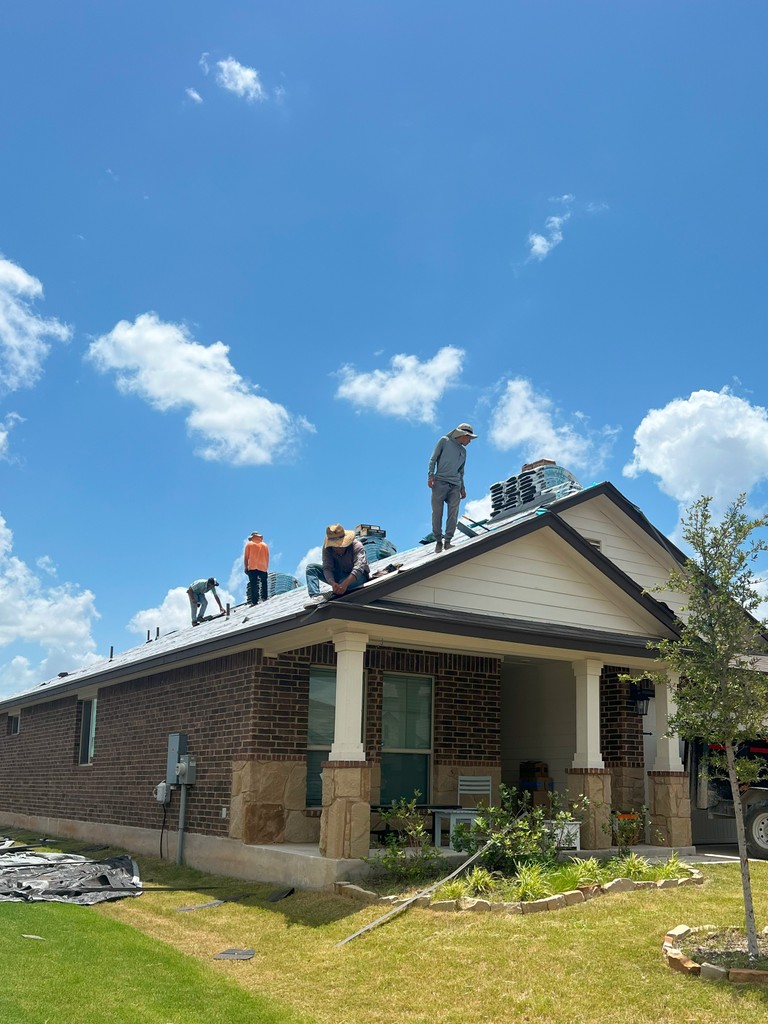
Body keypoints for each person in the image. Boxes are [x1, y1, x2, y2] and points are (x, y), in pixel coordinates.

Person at [427, 422, 477, 552]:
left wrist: (463, 487)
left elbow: (461, 471)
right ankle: (438, 540)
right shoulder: (445, 441)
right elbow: (433, 458)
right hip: (440, 482)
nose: (470, 441)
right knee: (437, 513)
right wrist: (430, 475)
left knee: (453, 514)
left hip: (455, 485)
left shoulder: (463, 452)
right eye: (469, 438)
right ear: (463, 435)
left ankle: (448, 541)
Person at [304, 524, 370, 608]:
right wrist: (332, 582)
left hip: (358, 577)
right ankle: (315, 596)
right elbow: (327, 568)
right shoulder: (327, 548)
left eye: (340, 546)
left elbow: (359, 567)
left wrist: (344, 584)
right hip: (339, 576)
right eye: (334, 546)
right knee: (311, 568)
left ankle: (334, 592)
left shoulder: (357, 545)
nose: (337, 548)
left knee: (343, 581)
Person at [243, 530, 270, 605]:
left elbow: (246, 557)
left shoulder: (249, 545)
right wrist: (266, 567)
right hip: (263, 566)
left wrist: (246, 567)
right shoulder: (265, 545)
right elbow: (267, 557)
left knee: (254, 584)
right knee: (264, 582)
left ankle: (255, 601)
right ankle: (265, 597)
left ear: (252, 537)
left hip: (252, 566)